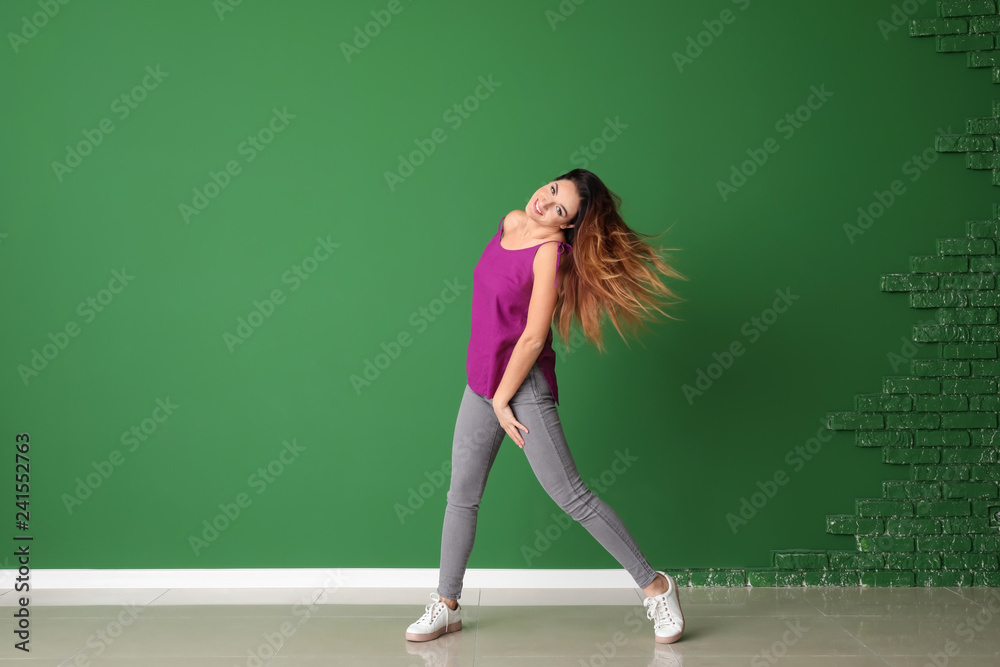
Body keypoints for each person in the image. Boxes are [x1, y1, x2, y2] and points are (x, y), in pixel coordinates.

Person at [404, 168, 688, 645]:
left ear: (568, 226)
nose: (547, 203)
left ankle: (657, 587)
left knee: (571, 496)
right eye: (553, 191)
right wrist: (489, 393)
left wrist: (501, 398)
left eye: (562, 210)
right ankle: (447, 604)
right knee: (461, 494)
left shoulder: (550, 255)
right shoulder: (510, 222)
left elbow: (534, 336)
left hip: (522, 388)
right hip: (482, 383)